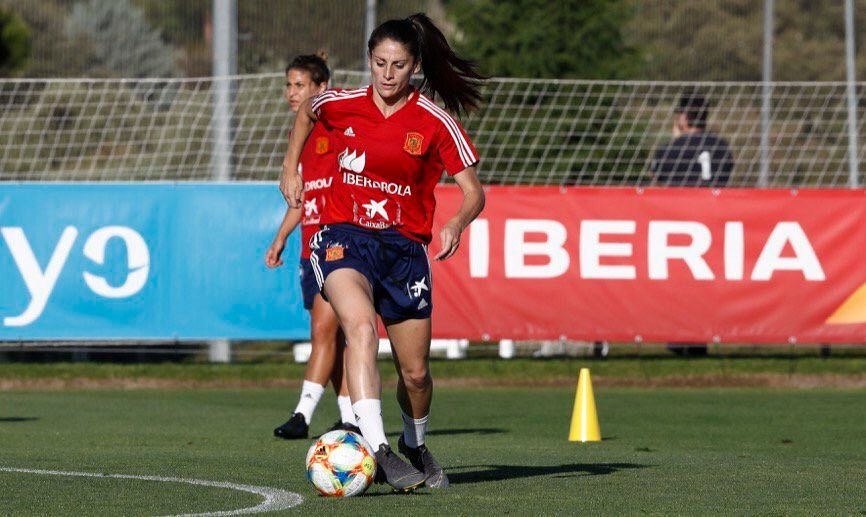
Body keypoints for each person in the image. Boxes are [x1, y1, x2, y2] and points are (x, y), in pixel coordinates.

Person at [279, 13, 485, 491]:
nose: (387, 75)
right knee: (359, 328)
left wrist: (456, 222)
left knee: (416, 375)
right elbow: (307, 111)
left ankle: (413, 443)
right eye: (379, 63)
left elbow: (474, 192)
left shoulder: (435, 121)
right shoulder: (341, 103)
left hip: (404, 250)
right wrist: (290, 167)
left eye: (398, 65)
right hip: (343, 236)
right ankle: (378, 449)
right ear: (369, 60)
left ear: (415, 66)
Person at [266, 54, 360, 439]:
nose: (292, 93)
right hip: (310, 247)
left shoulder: (340, 127)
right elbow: (302, 197)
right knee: (331, 336)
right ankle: (351, 417)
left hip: (339, 243)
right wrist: (282, 236)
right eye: (289, 85)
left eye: (300, 85)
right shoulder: (299, 135)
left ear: (322, 88)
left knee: (323, 330)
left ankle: (301, 415)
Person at [651, 93, 735, 356]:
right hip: (713, 218)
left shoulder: (672, 148)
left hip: (681, 219)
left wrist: (678, 140)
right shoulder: (720, 146)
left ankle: (680, 337)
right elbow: (726, 174)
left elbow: (659, 175)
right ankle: (700, 337)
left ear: (684, 117)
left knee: (679, 280)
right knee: (705, 281)